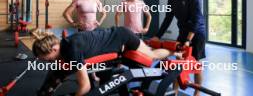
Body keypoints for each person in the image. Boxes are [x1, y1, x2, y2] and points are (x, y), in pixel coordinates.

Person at [32, 27, 177, 96]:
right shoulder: (62, 47)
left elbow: (85, 87)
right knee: (58, 70)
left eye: (42, 57)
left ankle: (175, 51)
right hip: (111, 37)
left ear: (53, 49)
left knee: (151, 55)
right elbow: (58, 71)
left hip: (122, 36)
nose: (42, 60)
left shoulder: (71, 51)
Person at [151, 0, 206, 96]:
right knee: (177, 62)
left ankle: (197, 93)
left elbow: (196, 18)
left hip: (197, 34)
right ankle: (175, 91)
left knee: (196, 64)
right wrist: (157, 36)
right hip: (183, 32)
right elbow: (168, 18)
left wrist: (188, 40)